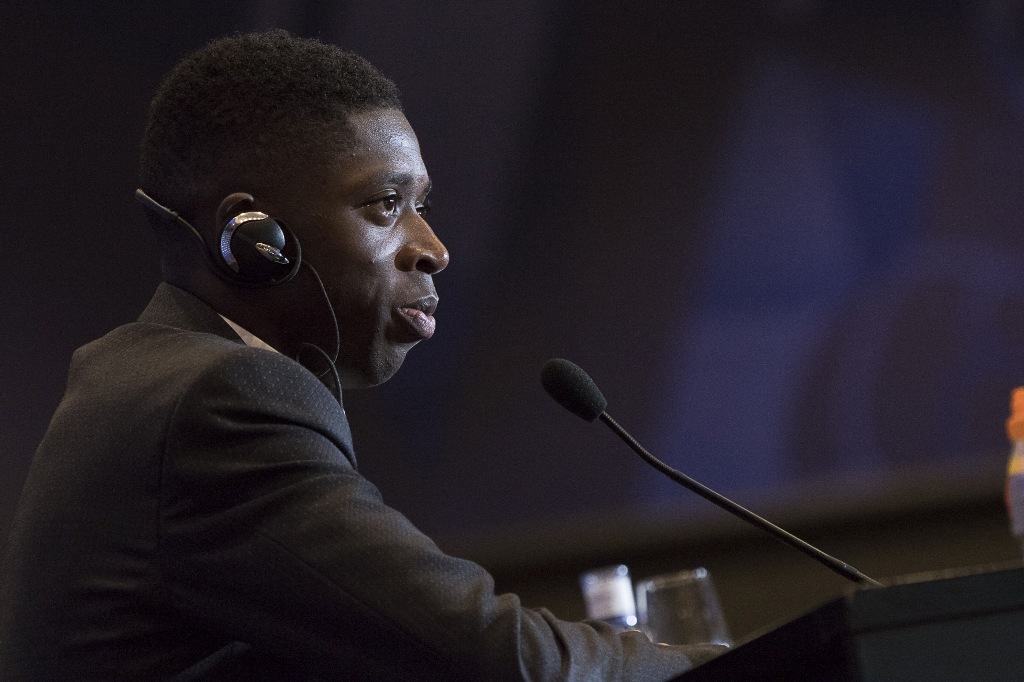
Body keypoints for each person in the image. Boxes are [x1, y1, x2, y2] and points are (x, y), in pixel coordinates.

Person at [0, 31, 721, 680]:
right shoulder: (221, 400)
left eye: (422, 204)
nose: (432, 249)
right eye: (384, 204)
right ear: (252, 236)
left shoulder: (156, 375)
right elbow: (497, 659)